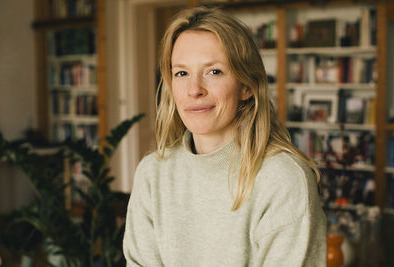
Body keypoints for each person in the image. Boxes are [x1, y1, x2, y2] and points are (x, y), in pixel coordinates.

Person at [123, 6, 326, 266]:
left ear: (246, 86)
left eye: (214, 71)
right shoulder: (152, 174)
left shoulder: (283, 180)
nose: (194, 89)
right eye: (181, 73)